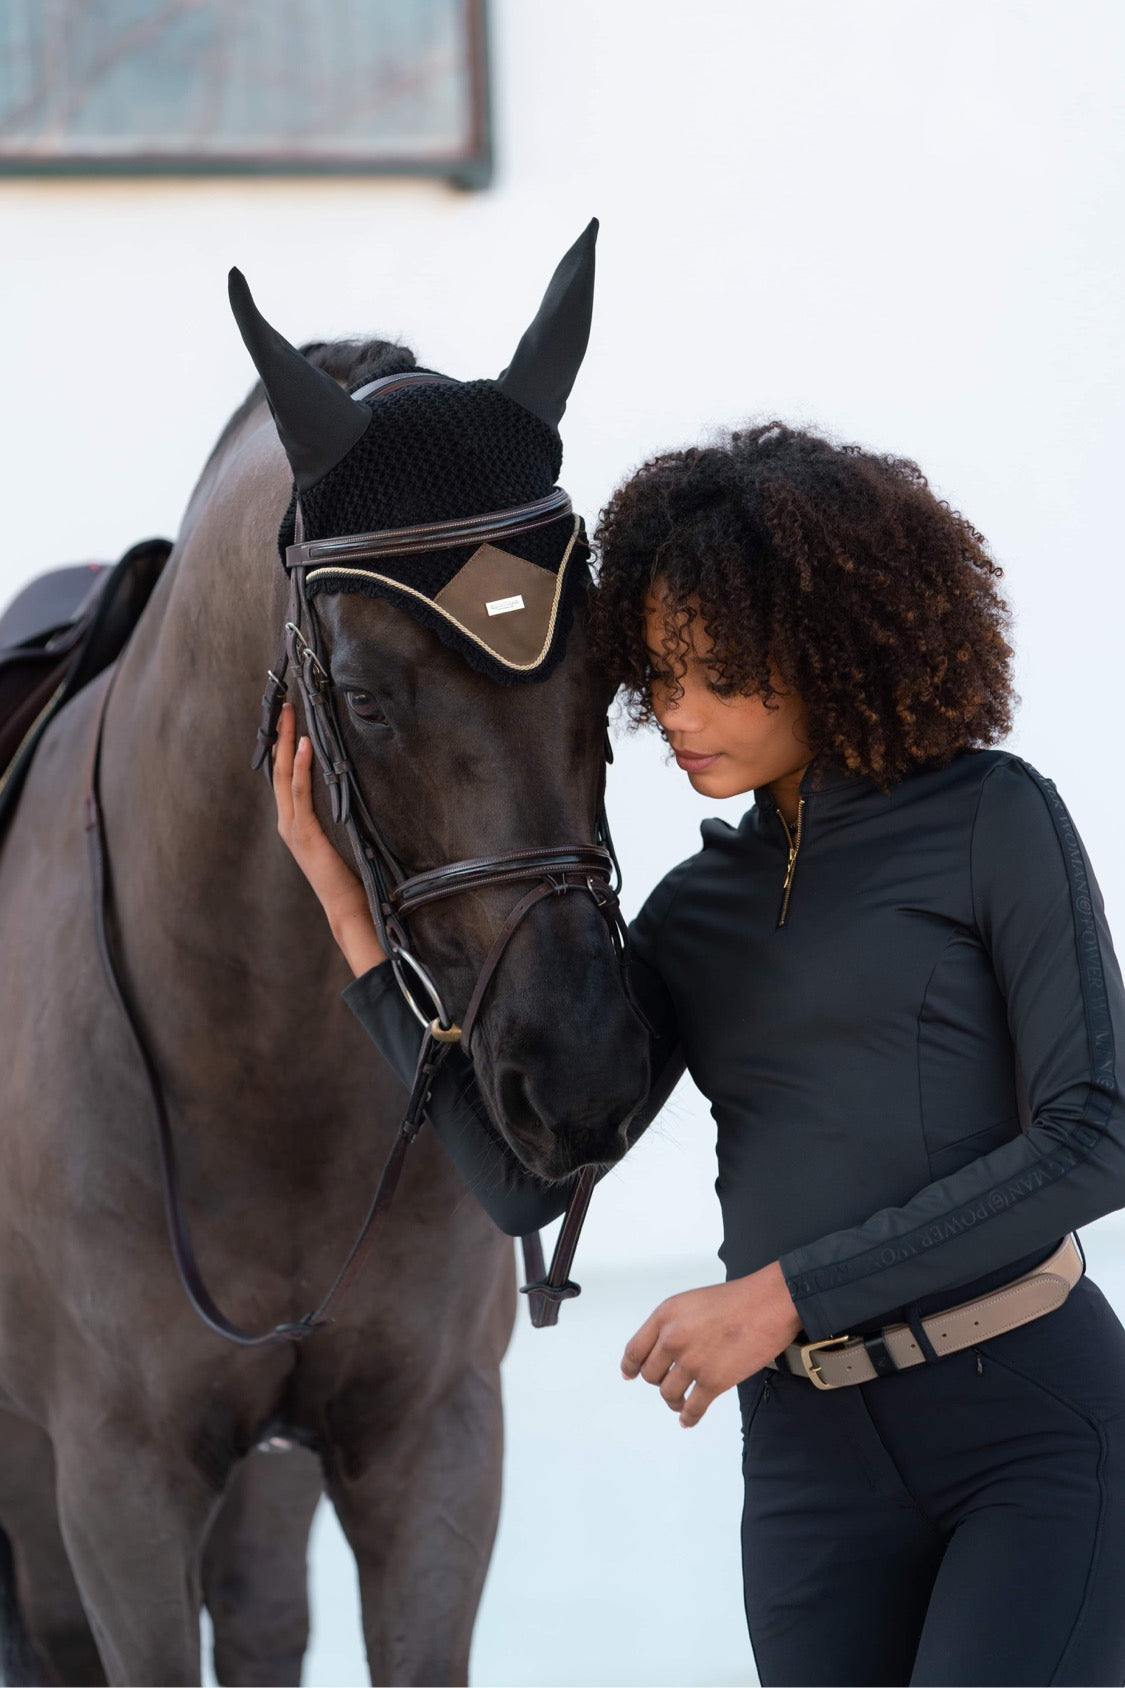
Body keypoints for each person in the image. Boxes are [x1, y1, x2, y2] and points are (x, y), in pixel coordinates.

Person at [272, 419, 1125, 1687]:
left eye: (719, 673)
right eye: (658, 676)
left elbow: (1094, 1137)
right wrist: (355, 931)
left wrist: (781, 1294)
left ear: (831, 650)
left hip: (1028, 1429)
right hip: (807, 1463)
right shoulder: (688, 916)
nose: (681, 714)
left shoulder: (995, 817)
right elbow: (527, 1187)